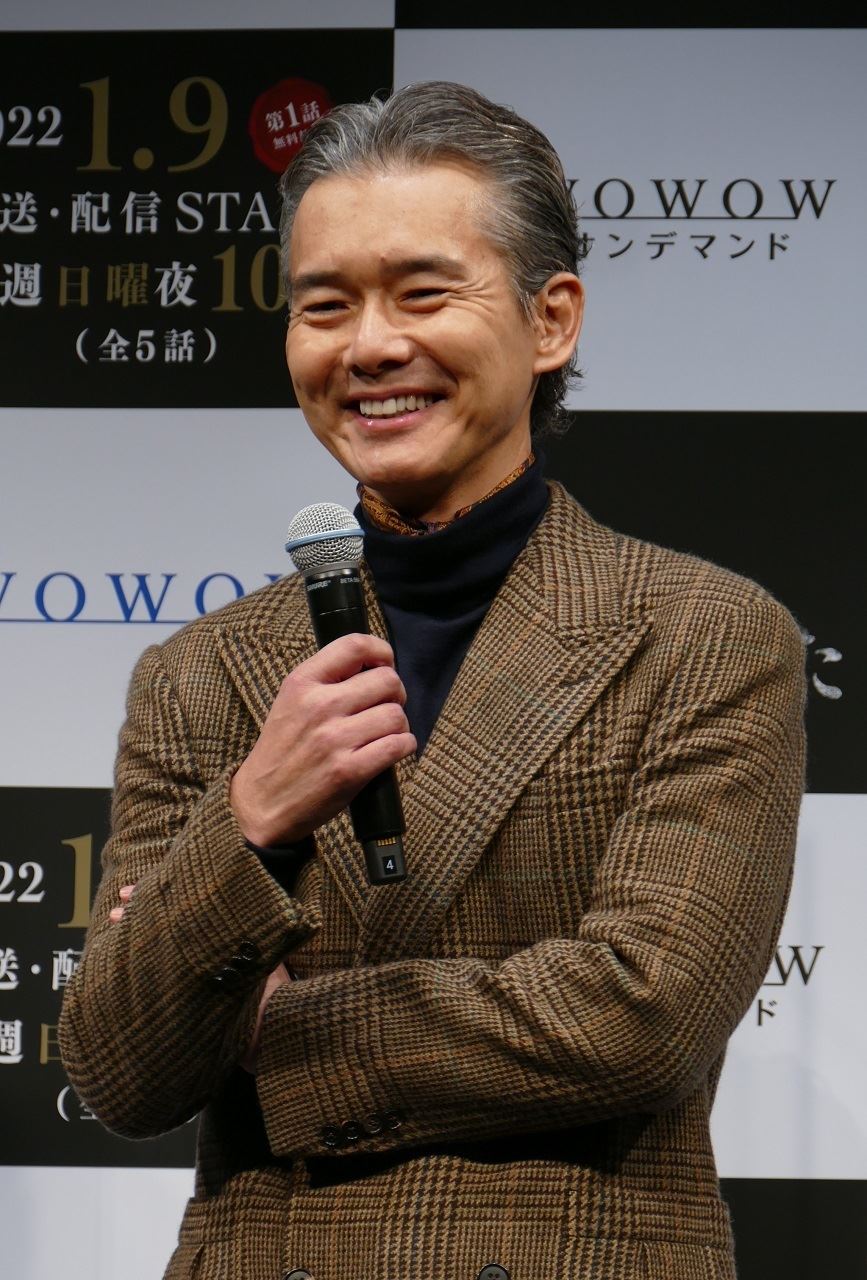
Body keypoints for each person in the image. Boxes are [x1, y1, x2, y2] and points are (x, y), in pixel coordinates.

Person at [59, 81, 807, 1280]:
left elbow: (641, 1012)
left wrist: (280, 1029)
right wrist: (250, 818)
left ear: (550, 319)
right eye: (324, 305)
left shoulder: (700, 635)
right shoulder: (199, 672)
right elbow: (119, 1065)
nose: (369, 346)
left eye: (421, 293)